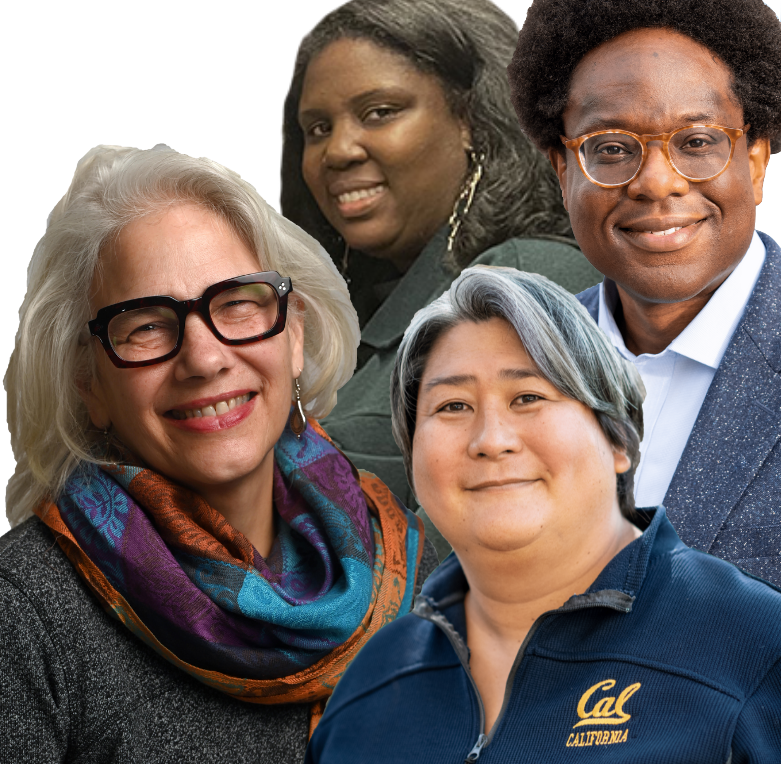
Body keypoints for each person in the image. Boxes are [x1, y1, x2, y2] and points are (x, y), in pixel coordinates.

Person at [0, 144, 437, 763]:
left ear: (293, 336)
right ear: (88, 383)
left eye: (237, 303)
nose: (205, 359)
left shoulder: (421, 571)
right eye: (146, 324)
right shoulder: (24, 613)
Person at [305, 266, 781, 763]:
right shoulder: (373, 684)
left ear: (618, 438)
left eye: (527, 397)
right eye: (452, 406)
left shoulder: (754, 649)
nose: (491, 440)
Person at [507, 0, 781, 584]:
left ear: (758, 157)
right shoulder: (511, 364)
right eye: (610, 148)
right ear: (561, 168)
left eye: (697, 142)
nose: (657, 182)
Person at [280, 0, 602, 519]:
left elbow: (510, 533)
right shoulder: (354, 313)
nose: (336, 150)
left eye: (379, 111)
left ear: (473, 121)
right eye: (317, 128)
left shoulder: (525, 282)